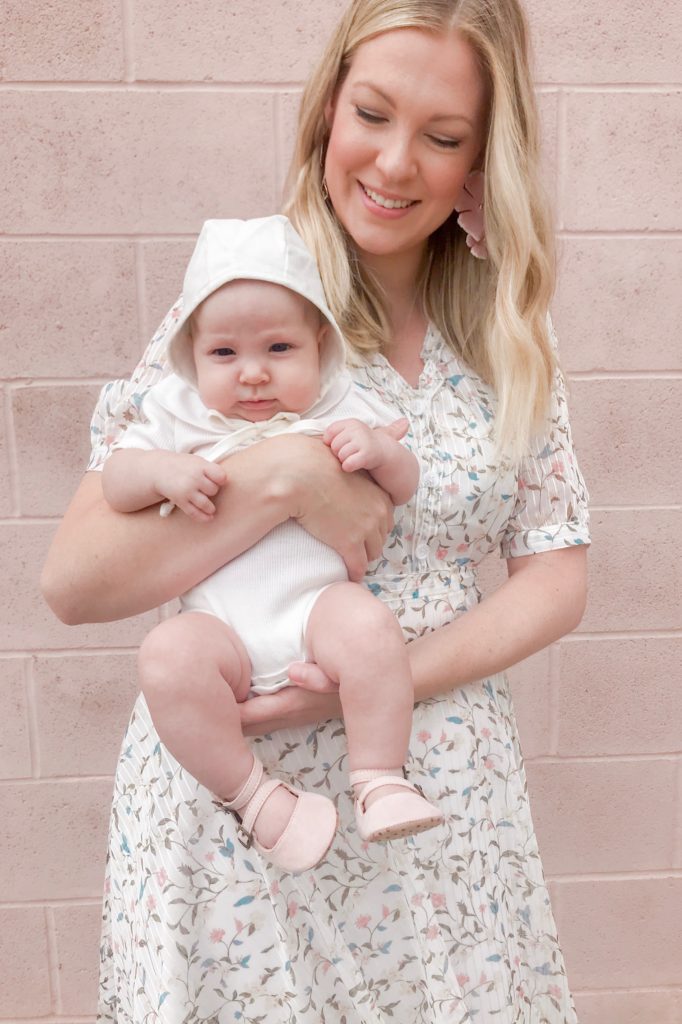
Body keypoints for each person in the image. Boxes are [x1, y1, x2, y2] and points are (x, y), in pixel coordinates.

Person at [42, 0, 590, 1020]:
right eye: (372, 115)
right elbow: (74, 583)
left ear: (481, 159)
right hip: (240, 813)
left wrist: (376, 683)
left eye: (440, 137)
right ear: (325, 110)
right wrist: (288, 474)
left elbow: (556, 568)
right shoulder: (247, 303)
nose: (392, 165)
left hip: (439, 796)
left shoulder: (508, 333)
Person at [101, 214, 442, 872]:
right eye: (225, 354)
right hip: (220, 633)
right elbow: (117, 481)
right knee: (166, 656)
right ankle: (258, 801)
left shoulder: (338, 402)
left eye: (279, 349)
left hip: (316, 611)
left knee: (371, 628)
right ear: (192, 354)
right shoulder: (179, 412)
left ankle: (380, 779)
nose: (252, 374)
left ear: (319, 345)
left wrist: (377, 450)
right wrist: (162, 472)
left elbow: (403, 482)